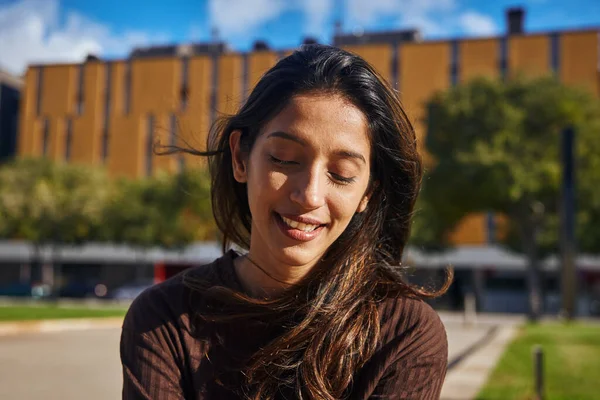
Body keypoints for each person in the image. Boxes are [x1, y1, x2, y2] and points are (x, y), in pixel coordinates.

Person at [120, 44, 452, 400]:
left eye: (341, 174)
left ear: (367, 194)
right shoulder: (164, 319)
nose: (309, 195)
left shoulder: (405, 332)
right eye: (284, 159)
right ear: (240, 158)